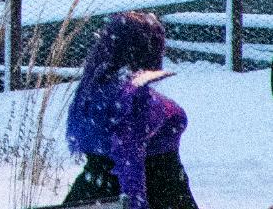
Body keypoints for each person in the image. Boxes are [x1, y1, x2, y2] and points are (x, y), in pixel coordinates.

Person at [63, 12, 198, 209]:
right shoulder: (135, 98)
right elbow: (128, 157)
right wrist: (136, 203)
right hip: (159, 191)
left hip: (92, 189)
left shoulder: (91, 92)